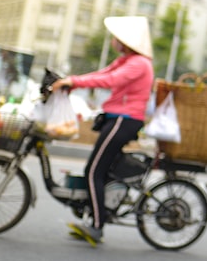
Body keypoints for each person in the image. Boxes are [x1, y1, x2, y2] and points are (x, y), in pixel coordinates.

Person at [50, 16, 154, 245]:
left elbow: (110, 81)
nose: (115, 41)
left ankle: (97, 226)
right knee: (103, 171)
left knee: (93, 171)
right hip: (116, 118)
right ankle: (97, 213)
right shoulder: (126, 60)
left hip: (123, 120)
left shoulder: (139, 63)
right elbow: (102, 74)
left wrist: (73, 81)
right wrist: (72, 81)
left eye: (118, 37)